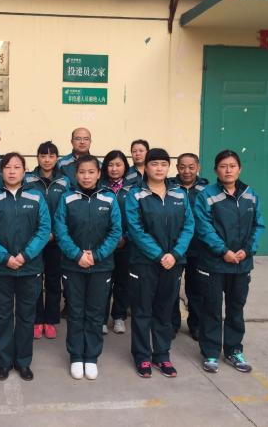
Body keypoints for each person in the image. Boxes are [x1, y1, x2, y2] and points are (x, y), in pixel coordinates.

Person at [0, 152, 51, 382]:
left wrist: (25, 255)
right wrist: (5, 257)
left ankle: (23, 361)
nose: (12, 171)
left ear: (24, 171)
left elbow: (44, 229)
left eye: (17, 167)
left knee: (26, 316)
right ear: (1, 171)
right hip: (1, 268)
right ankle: (4, 361)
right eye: (7, 167)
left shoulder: (36, 196)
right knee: (3, 316)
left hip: (30, 268)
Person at [125, 148, 194, 378]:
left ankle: (162, 355)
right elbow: (135, 229)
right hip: (144, 263)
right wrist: (159, 255)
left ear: (168, 167)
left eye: (163, 164)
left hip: (173, 262)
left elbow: (188, 226)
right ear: (146, 167)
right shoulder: (135, 194)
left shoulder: (179, 194)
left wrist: (174, 254)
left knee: (164, 310)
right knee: (142, 311)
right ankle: (142, 356)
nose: (159, 168)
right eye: (154, 164)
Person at [194, 150, 265, 374]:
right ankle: (211, 352)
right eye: (223, 166)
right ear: (216, 170)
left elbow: (258, 226)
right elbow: (203, 227)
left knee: (236, 308)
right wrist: (223, 251)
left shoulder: (251, 195)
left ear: (239, 169)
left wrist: (247, 250)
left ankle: (234, 350)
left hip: (241, 264)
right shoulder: (206, 195)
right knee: (212, 308)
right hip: (214, 264)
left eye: (232, 166)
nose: (228, 170)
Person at [54, 155, 122, 380]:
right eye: (82, 172)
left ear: (99, 173)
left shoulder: (109, 198)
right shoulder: (67, 198)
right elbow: (61, 230)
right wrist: (77, 255)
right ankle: (76, 356)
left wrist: (97, 255)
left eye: (91, 172)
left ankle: (91, 356)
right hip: (73, 266)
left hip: (101, 266)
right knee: (75, 312)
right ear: (76, 174)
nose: (86, 176)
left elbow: (115, 231)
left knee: (95, 312)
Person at [25, 141, 70, 340]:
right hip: (33, 239)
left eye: (51, 156)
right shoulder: (28, 179)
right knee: (35, 279)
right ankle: (36, 319)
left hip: (56, 239)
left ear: (57, 158)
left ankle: (50, 319)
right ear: (37, 157)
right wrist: (40, 234)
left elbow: (66, 210)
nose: (47, 160)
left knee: (53, 280)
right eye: (43, 155)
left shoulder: (65, 181)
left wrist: (55, 232)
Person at [169, 153, 209, 341]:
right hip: (174, 247)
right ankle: (171, 324)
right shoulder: (169, 186)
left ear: (198, 167)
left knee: (197, 289)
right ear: (177, 168)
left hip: (198, 248)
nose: (187, 171)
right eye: (183, 167)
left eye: (191, 167)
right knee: (171, 289)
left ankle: (196, 325)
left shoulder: (206, 189)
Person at [100, 150, 132, 335]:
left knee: (122, 282)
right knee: (104, 282)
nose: (114, 168)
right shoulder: (99, 186)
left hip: (126, 244)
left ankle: (119, 316)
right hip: (104, 244)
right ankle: (102, 319)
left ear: (125, 167)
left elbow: (136, 218)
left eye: (118, 165)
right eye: (110, 165)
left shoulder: (132, 189)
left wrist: (125, 237)